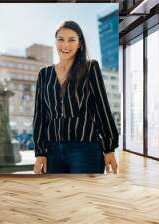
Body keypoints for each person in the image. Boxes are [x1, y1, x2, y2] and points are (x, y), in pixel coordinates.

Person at [32, 20, 119, 174]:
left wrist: (109, 148)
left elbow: (101, 108)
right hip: (53, 151)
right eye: (61, 39)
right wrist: (40, 152)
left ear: (80, 43)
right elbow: (40, 115)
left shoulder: (90, 67)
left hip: (86, 148)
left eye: (71, 40)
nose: (65, 45)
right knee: (57, 197)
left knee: (84, 196)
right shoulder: (44, 74)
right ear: (56, 42)